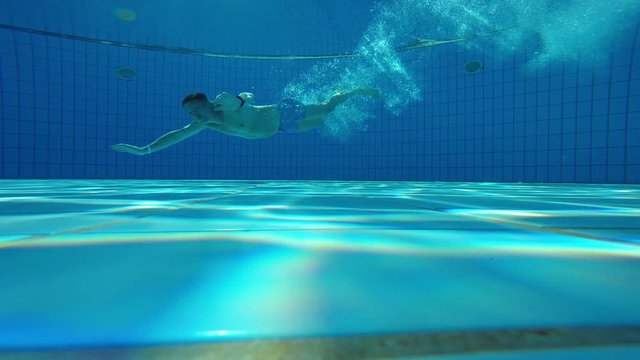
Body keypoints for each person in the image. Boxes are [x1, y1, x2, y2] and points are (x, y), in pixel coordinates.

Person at [111, 88, 380, 155]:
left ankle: (356, 90)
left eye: (195, 109)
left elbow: (244, 97)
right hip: (281, 129)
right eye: (190, 113)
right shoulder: (206, 124)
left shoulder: (225, 105)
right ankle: (348, 103)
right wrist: (144, 150)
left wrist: (239, 100)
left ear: (206, 102)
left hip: (282, 114)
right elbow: (177, 135)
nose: (193, 116)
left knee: (327, 108)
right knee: (324, 122)